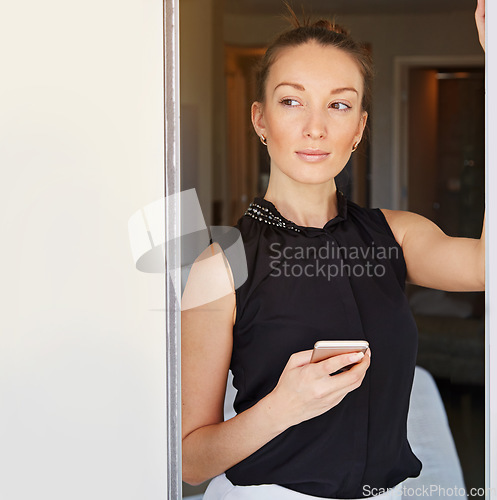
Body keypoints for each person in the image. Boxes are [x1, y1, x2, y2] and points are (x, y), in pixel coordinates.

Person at [181, 2, 486, 498]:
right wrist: (286, 405)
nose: (316, 127)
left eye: (339, 105)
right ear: (260, 118)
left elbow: (485, 265)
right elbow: (192, 461)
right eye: (292, 101)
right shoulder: (221, 265)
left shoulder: (397, 235)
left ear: (359, 127)